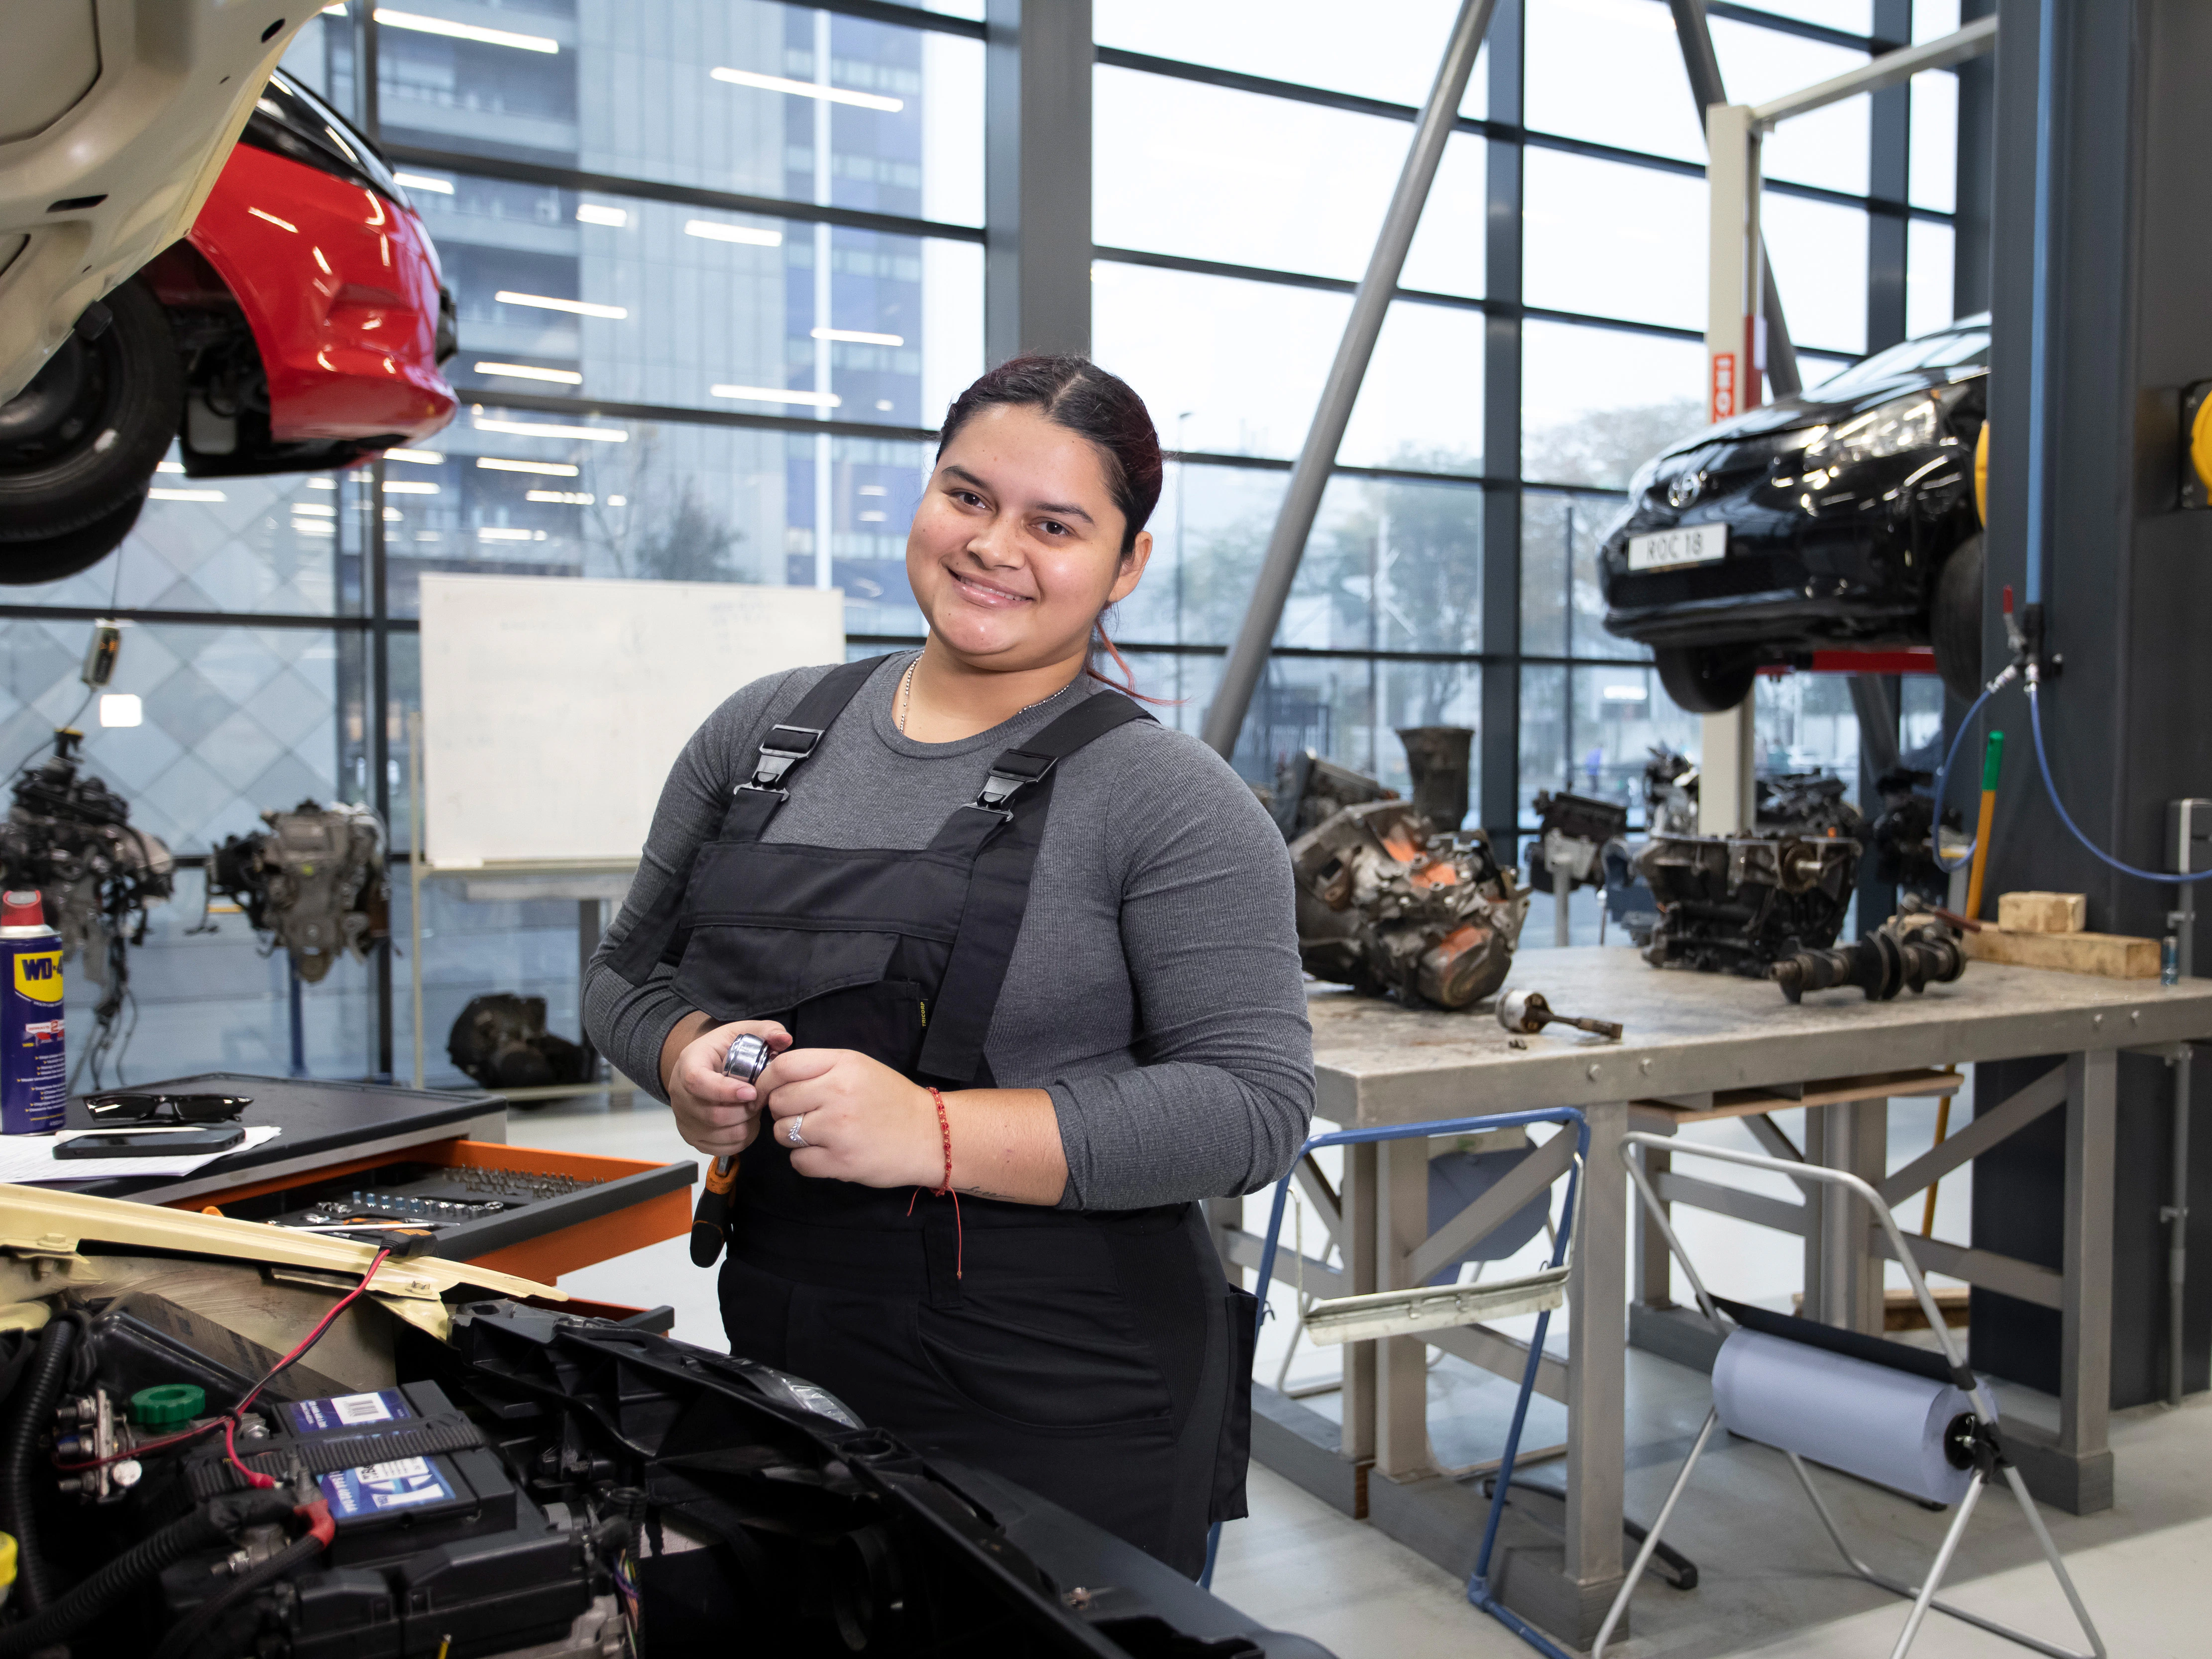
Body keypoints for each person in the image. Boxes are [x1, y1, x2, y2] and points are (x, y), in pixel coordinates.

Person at [583, 355, 1314, 1577]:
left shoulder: (1168, 798)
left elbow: (1252, 1108)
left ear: (1124, 565)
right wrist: (678, 1053)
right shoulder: (762, 735)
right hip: (789, 1347)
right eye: (966, 497)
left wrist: (933, 1130)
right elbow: (622, 973)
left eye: (1054, 524)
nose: (994, 546)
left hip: (1068, 1383)